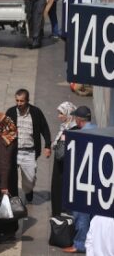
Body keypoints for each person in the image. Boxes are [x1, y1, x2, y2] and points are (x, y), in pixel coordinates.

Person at [5, 89, 52, 203]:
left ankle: (28, 191)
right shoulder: (10, 112)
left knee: (29, 180)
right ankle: (14, 199)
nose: (19, 103)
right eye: (17, 100)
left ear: (27, 100)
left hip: (30, 152)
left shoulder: (36, 112)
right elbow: (4, 130)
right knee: (11, 177)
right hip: (14, 151)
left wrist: (47, 145)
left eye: (22, 101)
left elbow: (44, 128)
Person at [63, 106, 97, 254]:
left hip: (83, 181)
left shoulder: (80, 135)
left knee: (81, 214)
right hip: (97, 182)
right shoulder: (98, 130)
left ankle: (79, 244)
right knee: (94, 215)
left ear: (79, 120)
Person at [0, 112, 19, 244]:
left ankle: (8, 232)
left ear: (1, 125)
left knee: (5, 207)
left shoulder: (6, 140)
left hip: (4, 179)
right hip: (2, 177)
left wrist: (4, 186)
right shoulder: (1, 136)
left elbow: (5, 164)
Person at [50, 101, 77, 216]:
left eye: (61, 113)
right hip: (59, 168)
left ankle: (59, 215)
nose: (59, 116)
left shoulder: (72, 129)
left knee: (59, 192)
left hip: (64, 169)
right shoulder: (65, 126)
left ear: (68, 113)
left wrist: (61, 141)